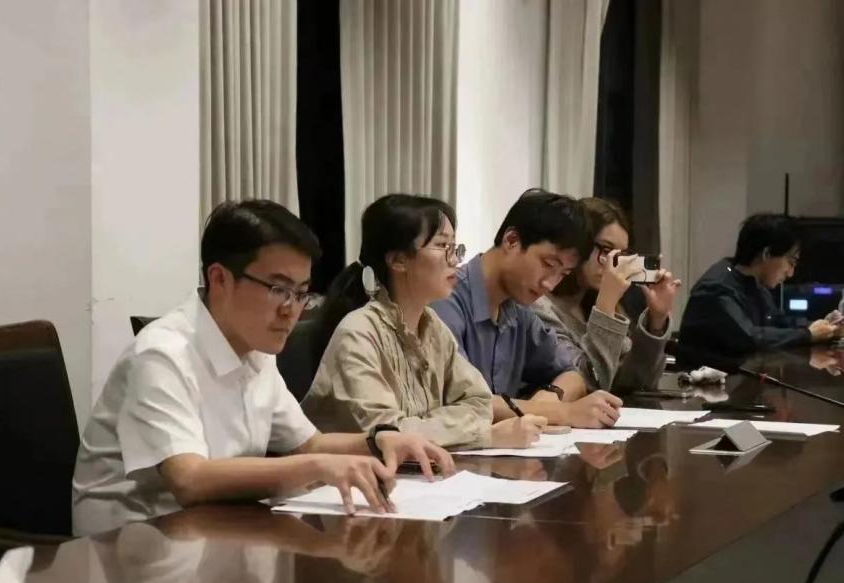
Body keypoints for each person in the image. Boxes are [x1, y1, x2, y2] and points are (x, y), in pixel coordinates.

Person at [73, 200, 454, 536]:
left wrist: (379, 440)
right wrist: (319, 466)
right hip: (132, 542)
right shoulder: (162, 353)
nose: (291, 310)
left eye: (301, 293)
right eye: (278, 289)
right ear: (219, 278)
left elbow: (308, 443)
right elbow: (189, 479)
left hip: (218, 529)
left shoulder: (255, 347)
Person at [302, 194, 544, 450]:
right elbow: (387, 435)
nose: (455, 260)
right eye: (442, 245)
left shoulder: (433, 327)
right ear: (398, 260)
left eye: (455, 247)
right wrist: (482, 435)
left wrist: (424, 425)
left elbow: (480, 403)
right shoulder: (358, 333)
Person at [431, 189, 624, 428]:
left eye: (563, 274)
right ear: (511, 240)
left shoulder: (519, 308)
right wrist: (560, 413)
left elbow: (573, 375)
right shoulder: (445, 298)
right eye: (548, 264)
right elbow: (461, 402)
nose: (550, 284)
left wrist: (552, 395)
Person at [533, 198, 682, 392]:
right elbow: (587, 384)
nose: (614, 264)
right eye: (606, 250)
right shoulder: (540, 307)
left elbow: (634, 383)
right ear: (579, 246)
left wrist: (656, 320)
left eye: (620, 255)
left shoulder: (595, 303)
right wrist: (606, 304)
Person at [680, 213, 841, 357]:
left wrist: (822, 326)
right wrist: (808, 334)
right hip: (706, 379)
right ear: (766, 254)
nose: (790, 273)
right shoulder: (717, 288)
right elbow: (749, 338)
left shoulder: (753, 282)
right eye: (791, 262)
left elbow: (778, 322)